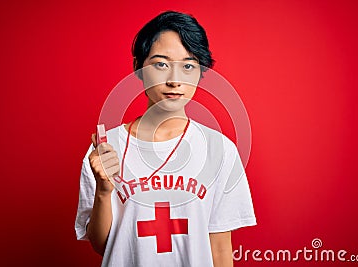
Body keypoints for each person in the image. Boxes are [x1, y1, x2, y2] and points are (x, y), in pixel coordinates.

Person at [75, 10, 256, 266]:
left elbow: (220, 249)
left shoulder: (219, 150)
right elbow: (104, 245)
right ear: (138, 67)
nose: (175, 80)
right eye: (161, 64)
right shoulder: (107, 149)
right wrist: (104, 192)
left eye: (188, 66)